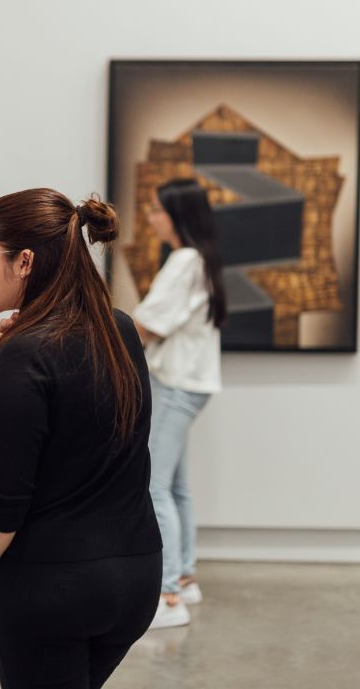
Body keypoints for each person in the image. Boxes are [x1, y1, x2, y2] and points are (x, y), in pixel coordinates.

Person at [0, 188, 161, 689]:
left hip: (53, 588)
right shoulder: (120, 330)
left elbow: (6, 494)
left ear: (24, 261)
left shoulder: (26, 353)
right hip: (134, 578)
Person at [132, 178, 227, 630]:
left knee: (155, 486)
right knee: (177, 485)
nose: (151, 217)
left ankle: (167, 595)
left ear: (177, 215)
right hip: (192, 383)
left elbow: (149, 324)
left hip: (174, 384)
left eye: (157, 210)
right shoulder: (200, 259)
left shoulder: (185, 260)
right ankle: (184, 576)